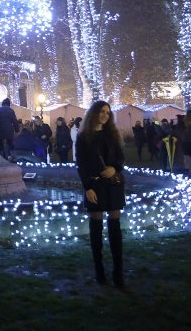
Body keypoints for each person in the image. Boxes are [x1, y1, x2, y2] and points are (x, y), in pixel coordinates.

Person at [76, 101, 126, 288]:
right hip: (95, 185)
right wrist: (87, 188)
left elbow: (121, 158)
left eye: (107, 112)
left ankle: (118, 273)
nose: (105, 115)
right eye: (101, 111)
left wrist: (115, 168)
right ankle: (99, 271)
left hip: (113, 185)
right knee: (96, 231)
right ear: (94, 113)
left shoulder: (112, 134)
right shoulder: (83, 137)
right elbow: (81, 164)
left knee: (115, 229)